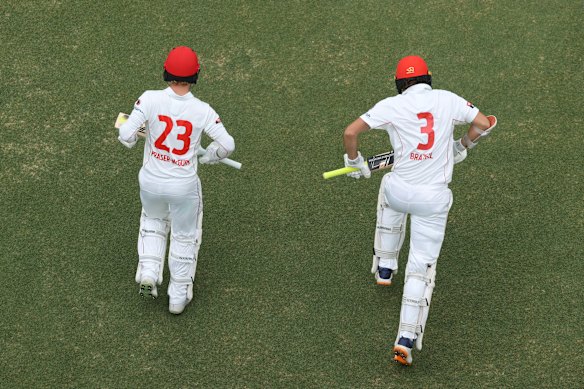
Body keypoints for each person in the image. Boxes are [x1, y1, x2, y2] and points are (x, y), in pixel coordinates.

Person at [342, 55, 496, 365]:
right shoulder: (448, 100)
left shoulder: (390, 105)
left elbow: (350, 133)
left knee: (387, 191)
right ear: (428, 78)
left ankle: (385, 267)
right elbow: (483, 124)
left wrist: (354, 162)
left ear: (399, 84)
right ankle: (406, 339)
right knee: (421, 269)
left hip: (400, 191)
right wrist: (462, 145)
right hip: (433, 201)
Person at [118, 46, 236, 315]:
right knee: (185, 235)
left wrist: (140, 134)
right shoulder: (202, 110)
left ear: (166, 72)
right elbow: (227, 144)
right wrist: (212, 156)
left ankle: (149, 271)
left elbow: (125, 134)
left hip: (150, 181)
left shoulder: (148, 99)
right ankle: (177, 296)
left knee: (152, 221)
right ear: (196, 75)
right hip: (183, 186)